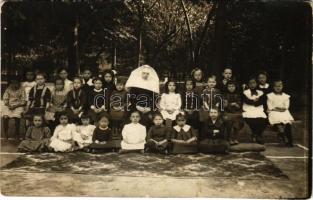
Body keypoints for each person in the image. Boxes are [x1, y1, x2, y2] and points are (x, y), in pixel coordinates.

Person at [267, 80, 294, 147]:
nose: (278, 87)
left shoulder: (286, 96)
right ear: (273, 87)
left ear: (282, 86)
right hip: (274, 112)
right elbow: (270, 106)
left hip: (284, 112)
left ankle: (289, 140)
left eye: (279, 86)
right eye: (276, 86)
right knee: (278, 121)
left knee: (287, 123)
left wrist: (281, 109)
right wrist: (278, 109)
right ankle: (282, 135)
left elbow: (286, 106)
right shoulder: (270, 96)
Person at [242, 77, 267, 144]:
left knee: (263, 120)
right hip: (248, 109)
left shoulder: (260, 92)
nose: (252, 85)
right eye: (250, 83)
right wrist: (253, 101)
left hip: (258, 109)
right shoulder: (245, 92)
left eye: (254, 83)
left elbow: (262, 101)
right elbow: (246, 101)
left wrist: (253, 102)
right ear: (248, 84)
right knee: (251, 120)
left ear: (256, 84)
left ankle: (258, 134)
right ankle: (256, 134)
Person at [223, 80, 244, 145]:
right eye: (229, 86)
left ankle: (235, 138)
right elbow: (224, 105)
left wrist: (235, 104)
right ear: (227, 87)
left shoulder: (238, 95)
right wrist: (232, 104)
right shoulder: (224, 95)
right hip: (227, 111)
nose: (231, 88)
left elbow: (239, 105)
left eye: (233, 86)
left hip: (236, 111)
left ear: (235, 87)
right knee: (229, 120)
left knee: (237, 120)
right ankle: (229, 138)